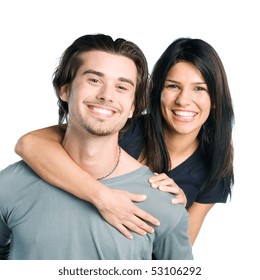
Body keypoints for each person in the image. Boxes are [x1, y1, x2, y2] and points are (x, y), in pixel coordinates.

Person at [15, 37, 234, 245]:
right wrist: (102, 197)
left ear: (215, 99)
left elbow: (176, 253)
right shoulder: (122, 127)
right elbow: (30, 144)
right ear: (156, 92)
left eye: (199, 88)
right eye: (172, 86)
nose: (184, 100)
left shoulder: (215, 167)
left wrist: (176, 212)